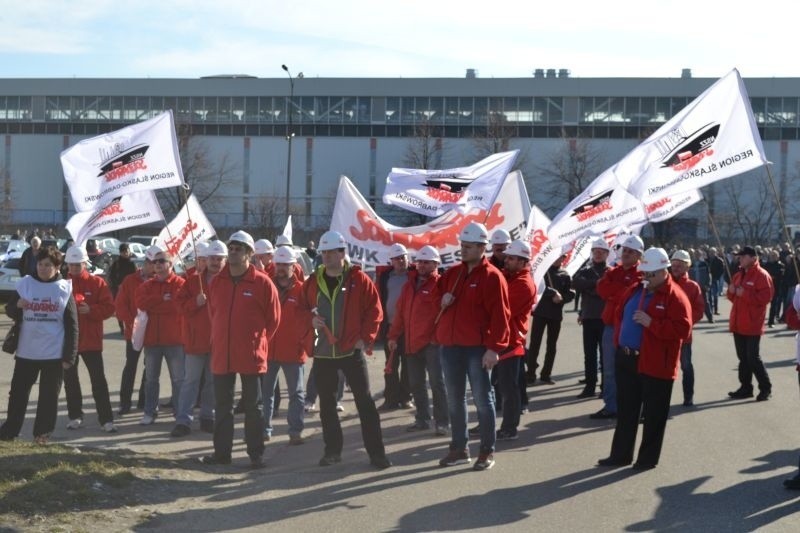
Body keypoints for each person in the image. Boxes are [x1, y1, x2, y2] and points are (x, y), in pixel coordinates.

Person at [301, 230, 391, 469]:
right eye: (325, 252)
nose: (328, 256)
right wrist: (309, 323)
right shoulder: (312, 282)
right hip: (323, 353)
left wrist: (366, 338)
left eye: (333, 252)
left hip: (351, 352)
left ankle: (377, 454)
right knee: (327, 407)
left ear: (343, 253)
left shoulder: (359, 280)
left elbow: (375, 310)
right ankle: (332, 452)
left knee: (365, 404)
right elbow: (299, 310)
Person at [597, 247, 691, 470]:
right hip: (628, 358)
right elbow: (619, 312)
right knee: (627, 410)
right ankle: (620, 455)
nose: (645, 277)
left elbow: (683, 330)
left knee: (654, 415)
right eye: (644, 273)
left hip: (656, 363)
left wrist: (653, 324)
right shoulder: (636, 288)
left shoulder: (675, 296)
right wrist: (620, 343)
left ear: (662, 271)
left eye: (649, 274)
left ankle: (647, 459)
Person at [201, 231, 281, 468]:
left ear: (249, 254)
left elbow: (273, 320)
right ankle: (222, 454)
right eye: (231, 247)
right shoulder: (217, 282)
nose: (233, 251)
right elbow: (212, 314)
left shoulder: (262, 282)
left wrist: (257, 342)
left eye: (239, 248)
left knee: (252, 407)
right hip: (222, 354)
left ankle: (255, 454)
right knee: (223, 406)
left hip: (250, 355)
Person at [436, 222, 510, 471]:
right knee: (454, 400)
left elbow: (501, 315)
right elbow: (436, 296)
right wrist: (441, 299)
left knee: (482, 400)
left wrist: (494, 348)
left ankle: (487, 450)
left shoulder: (492, 277)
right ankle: (459, 449)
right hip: (451, 346)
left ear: (482, 247)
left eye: (468, 247)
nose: (463, 250)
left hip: (477, 348)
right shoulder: (452, 273)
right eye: (462, 246)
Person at [0, 247, 78, 444]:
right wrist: (16, 307)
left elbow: (72, 325)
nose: (43, 268)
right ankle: (10, 430)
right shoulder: (25, 283)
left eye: (48, 265)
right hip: (27, 351)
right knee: (17, 393)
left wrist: (70, 356)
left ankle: (42, 433)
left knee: (49, 396)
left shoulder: (64, 288)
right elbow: (10, 309)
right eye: (41, 264)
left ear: (57, 267)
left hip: (53, 353)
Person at [387, 245, 449, 435]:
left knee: (437, 384)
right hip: (412, 343)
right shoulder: (409, 286)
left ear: (435, 264)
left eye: (427, 262)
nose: (422, 265)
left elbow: (446, 317)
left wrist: (436, 338)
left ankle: (442, 422)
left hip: (432, 345)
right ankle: (422, 419)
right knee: (416, 384)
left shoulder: (441, 285)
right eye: (420, 262)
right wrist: (393, 335)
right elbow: (400, 314)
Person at [171, 240, 228, 438]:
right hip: (196, 342)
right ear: (205, 260)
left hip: (219, 342)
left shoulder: (230, 282)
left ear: (225, 260)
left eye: (219, 259)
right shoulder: (194, 281)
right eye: (212, 258)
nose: (215, 262)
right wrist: (195, 302)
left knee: (212, 382)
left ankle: (207, 417)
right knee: (190, 382)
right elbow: (179, 305)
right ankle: (183, 420)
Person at [63, 246, 117, 433]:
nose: (75, 268)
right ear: (67, 265)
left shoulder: (97, 283)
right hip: (69, 342)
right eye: (71, 265)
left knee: (98, 381)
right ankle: (75, 416)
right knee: (70, 380)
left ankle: (106, 419)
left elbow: (110, 308)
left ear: (85, 264)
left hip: (91, 341)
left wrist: (91, 310)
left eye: (78, 265)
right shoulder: (62, 284)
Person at [262, 246, 313, 444]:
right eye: (279, 264)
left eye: (285, 264)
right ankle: (264, 430)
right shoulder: (267, 286)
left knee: (296, 394)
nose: (281, 268)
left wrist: (307, 342)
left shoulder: (303, 290)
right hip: (268, 350)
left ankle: (295, 431)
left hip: (294, 351)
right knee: (265, 395)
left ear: (294, 266)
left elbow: (311, 318)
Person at [593, 234, 644, 420]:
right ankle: (611, 406)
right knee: (609, 369)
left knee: (633, 369)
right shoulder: (614, 271)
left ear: (639, 255)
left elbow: (628, 293)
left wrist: (616, 292)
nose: (626, 254)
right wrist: (619, 291)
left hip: (631, 329)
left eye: (631, 252)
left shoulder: (642, 273)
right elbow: (602, 289)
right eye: (624, 251)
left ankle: (633, 407)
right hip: (611, 327)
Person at [134, 245, 186, 425]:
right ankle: (149, 412)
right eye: (154, 262)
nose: (157, 264)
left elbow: (176, 306)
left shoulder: (180, 284)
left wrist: (155, 304)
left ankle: (180, 412)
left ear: (171, 264)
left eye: (161, 261)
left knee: (178, 379)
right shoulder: (147, 285)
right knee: (151, 380)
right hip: (152, 341)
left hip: (175, 339)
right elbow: (140, 303)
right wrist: (160, 299)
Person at [495, 240, 536, 440]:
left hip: (511, 341)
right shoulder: (510, 277)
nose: (506, 260)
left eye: (511, 258)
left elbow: (503, 308)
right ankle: (501, 423)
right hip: (502, 339)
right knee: (501, 385)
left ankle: (510, 427)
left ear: (522, 261)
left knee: (508, 387)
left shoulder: (523, 284)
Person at [727, 246, 774, 401]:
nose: (739, 259)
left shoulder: (762, 275)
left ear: (753, 258)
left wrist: (744, 294)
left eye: (743, 256)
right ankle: (746, 387)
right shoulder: (738, 275)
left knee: (753, 358)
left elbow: (765, 298)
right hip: (738, 323)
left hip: (752, 324)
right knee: (743, 358)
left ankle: (765, 388)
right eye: (739, 256)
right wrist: (731, 291)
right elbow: (732, 298)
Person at [114, 251, 155, 415]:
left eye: (158, 262)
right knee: (130, 366)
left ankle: (143, 400)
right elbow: (120, 304)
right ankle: (125, 402)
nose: (154, 266)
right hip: (133, 331)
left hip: (152, 332)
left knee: (149, 368)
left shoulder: (157, 281)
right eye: (151, 262)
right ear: (145, 263)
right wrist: (131, 322)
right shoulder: (130, 280)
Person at [572, 238, 611, 398]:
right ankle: (589, 386)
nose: (598, 254)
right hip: (588, 317)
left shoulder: (610, 271)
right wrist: (597, 285)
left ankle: (605, 387)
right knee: (589, 355)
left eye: (601, 252)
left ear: (607, 254)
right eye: (595, 251)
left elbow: (607, 291)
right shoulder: (585, 270)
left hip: (604, 318)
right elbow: (576, 283)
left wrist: (590, 287)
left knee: (605, 355)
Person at [377, 243, 414, 411]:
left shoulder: (414, 275)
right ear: (391, 261)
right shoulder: (385, 277)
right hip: (391, 328)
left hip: (410, 329)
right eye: (397, 259)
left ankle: (406, 398)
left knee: (408, 365)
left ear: (408, 258)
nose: (400, 261)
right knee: (390, 365)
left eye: (402, 258)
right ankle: (390, 399)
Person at [528, 254, 574, 385]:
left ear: (564, 259)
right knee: (535, 344)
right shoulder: (543, 270)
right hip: (540, 312)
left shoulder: (566, 274)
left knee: (552, 346)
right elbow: (536, 285)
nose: (558, 258)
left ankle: (546, 374)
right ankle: (530, 373)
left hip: (555, 314)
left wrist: (562, 299)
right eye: (556, 256)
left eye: (561, 257)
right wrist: (552, 293)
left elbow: (571, 293)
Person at [669, 250, 706, 406]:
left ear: (687, 267)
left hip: (684, 335)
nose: (676, 268)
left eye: (680, 265)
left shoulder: (693, 286)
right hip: (666, 334)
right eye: (674, 265)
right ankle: (662, 398)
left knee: (686, 366)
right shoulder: (666, 283)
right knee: (666, 368)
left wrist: (686, 323)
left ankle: (688, 396)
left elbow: (699, 309)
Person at [108, 243, 137, 334]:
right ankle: (121, 327)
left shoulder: (132, 263)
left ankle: (131, 326)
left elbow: (136, 276)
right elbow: (111, 276)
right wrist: (116, 285)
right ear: (120, 252)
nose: (125, 253)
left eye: (127, 251)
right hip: (118, 289)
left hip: (130, 290)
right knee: (119, 309)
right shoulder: (116, 263)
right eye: (123, 252)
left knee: (131, 308)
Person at [764, 250, 785, 328]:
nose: (773, 257)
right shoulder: (767, 265)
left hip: (776, 287)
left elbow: (781, 276)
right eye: (772, 255)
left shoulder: (781, 265)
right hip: (766, 287)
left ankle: (771, 321)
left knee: (774, 305)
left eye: (774, 255)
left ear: (778, 257)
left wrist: (773, 277)